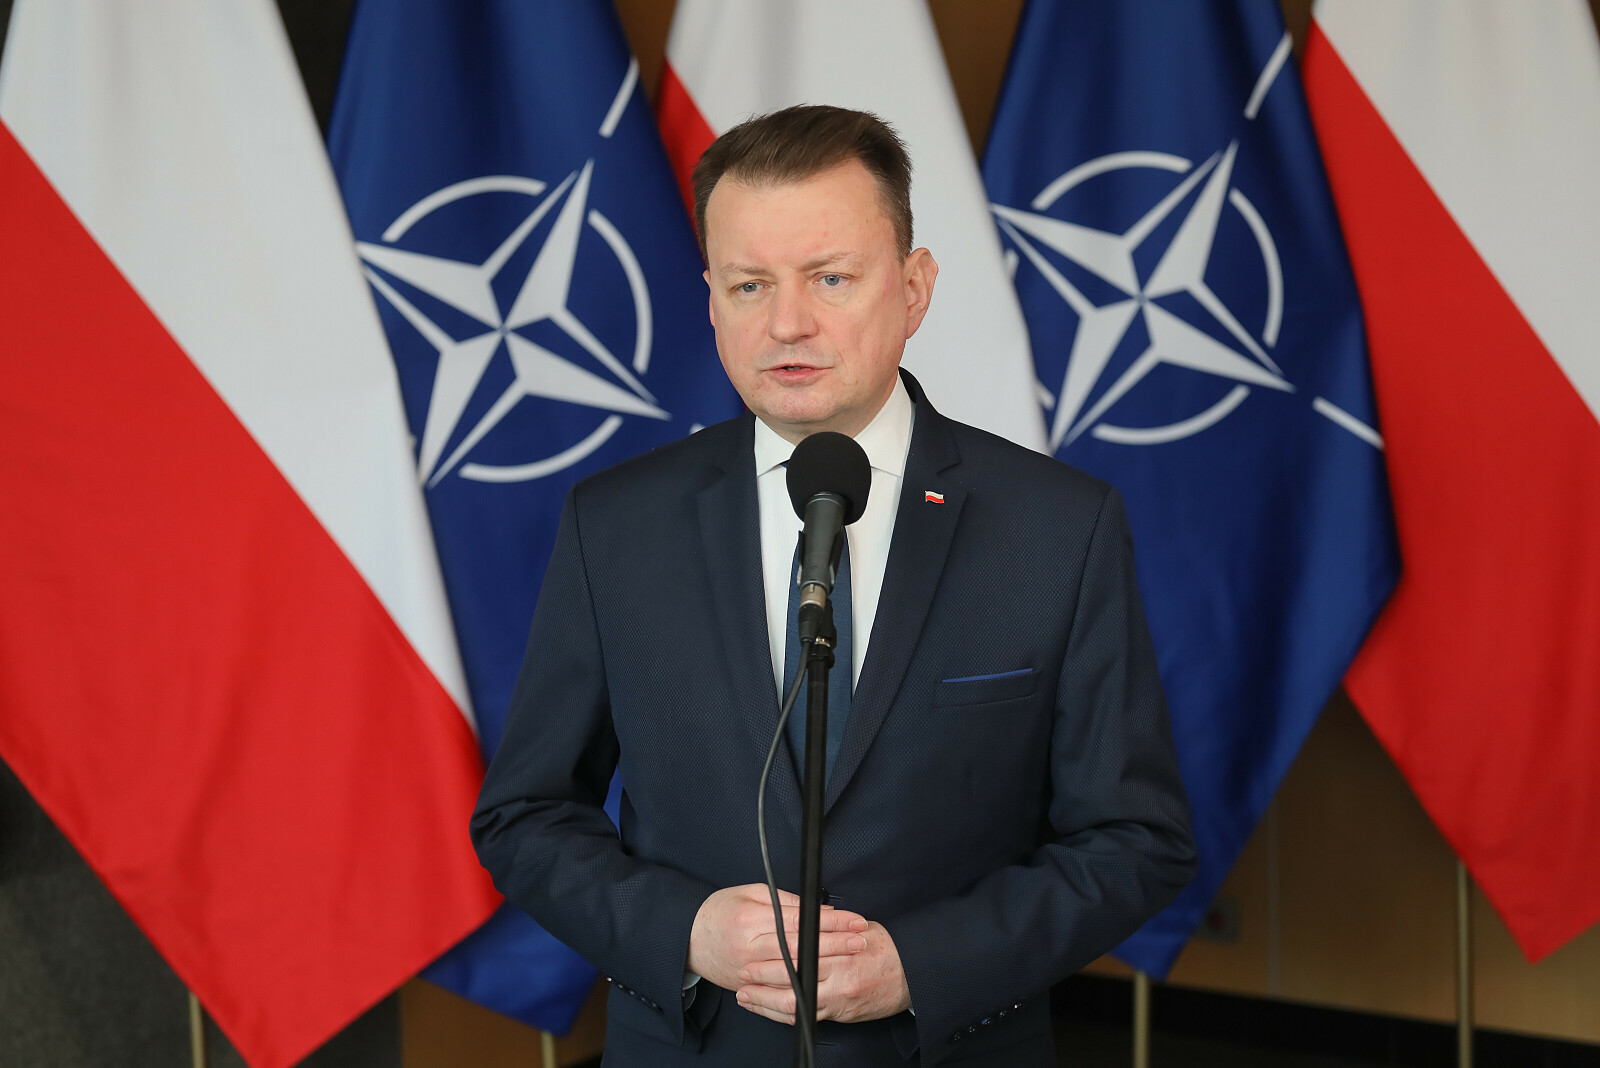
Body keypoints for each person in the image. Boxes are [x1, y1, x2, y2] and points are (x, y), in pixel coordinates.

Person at [471, 105, 1195, 1067]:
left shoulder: (1059, 526)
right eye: (750, 284)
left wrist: (922, 966)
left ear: (915, 288)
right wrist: (687, 931)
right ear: (712, 300)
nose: (787, 324)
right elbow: (524, 817)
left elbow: (1137, 840)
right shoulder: (615, 524)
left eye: (831, 278)